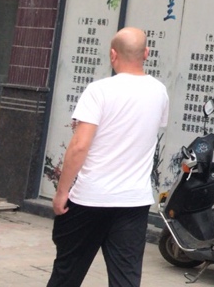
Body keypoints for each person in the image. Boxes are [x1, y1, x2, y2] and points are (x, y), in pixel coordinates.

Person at [46, 26, 169, 287]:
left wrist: (61, 192)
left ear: (113, 54)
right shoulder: (159, 92)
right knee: (126, 280)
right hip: (133, 202)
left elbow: (79, 146)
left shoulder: (99, 91)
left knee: (67, 274)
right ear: (146, 53)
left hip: (90, 199)